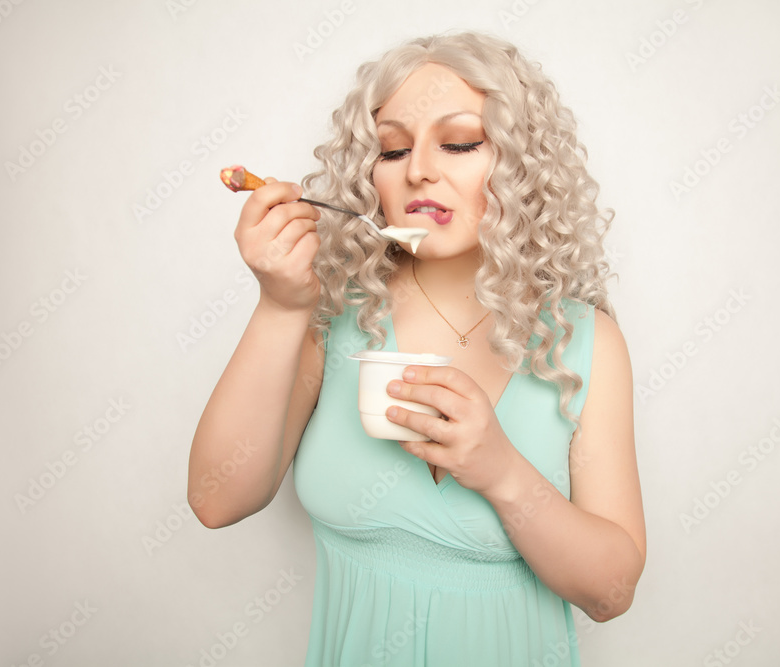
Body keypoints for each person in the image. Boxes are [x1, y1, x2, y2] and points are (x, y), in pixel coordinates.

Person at [189, 31, 646, 667]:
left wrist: (500, 471)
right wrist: (280, 306)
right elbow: (216, 502)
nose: (418, 169)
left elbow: (611, 593)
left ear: (522, 166)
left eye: (458, 143)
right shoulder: (332, 316)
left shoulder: (583, 341)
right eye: (393, 148)